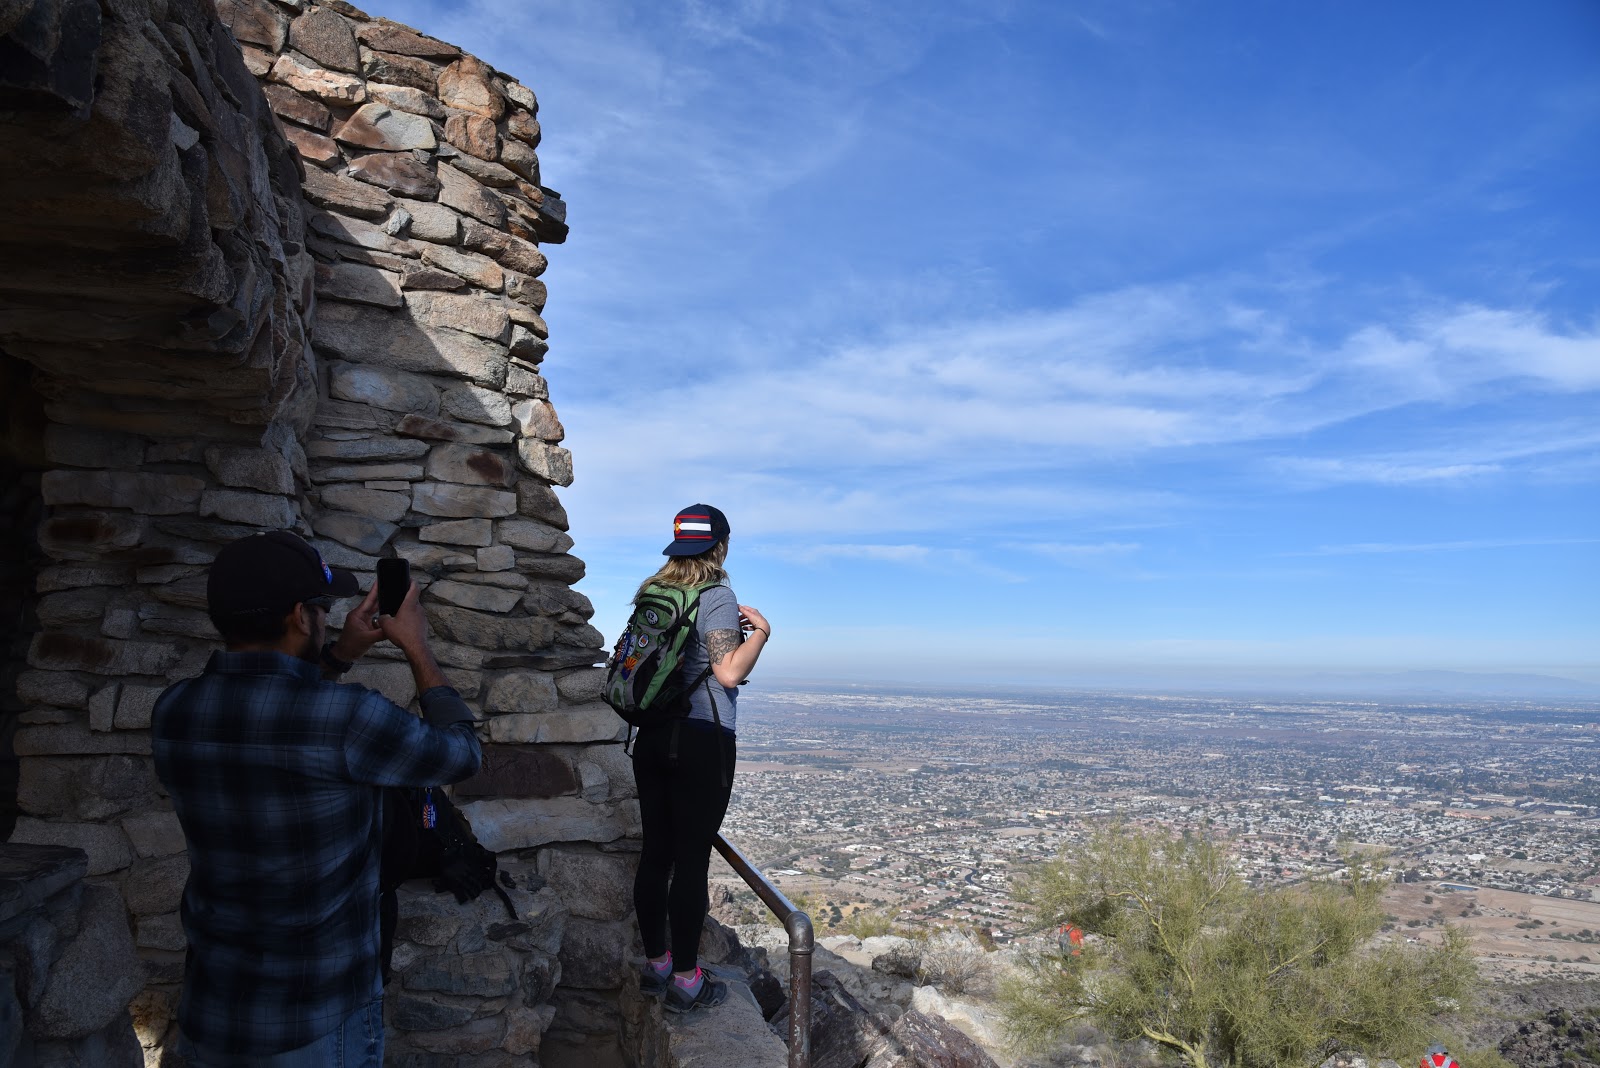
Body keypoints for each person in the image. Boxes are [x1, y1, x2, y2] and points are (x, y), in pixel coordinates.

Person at [151, 530, 482, 1066]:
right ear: (301, 617)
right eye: (323, 609)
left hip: (214, 1007)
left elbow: (274, 709)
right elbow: (461, 754)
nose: (326, 619)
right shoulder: (347, 718)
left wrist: (341, 652)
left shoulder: (175, 711)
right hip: (316, 1017)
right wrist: (416, 645)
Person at [632, 504, 770, 1013]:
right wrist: (760, 633)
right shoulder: (716, 596)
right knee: (691, 861)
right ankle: (688, 981)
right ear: (722, 546)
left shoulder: (653, 593)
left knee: (654, 855)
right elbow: (728, 672)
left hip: (649, 736)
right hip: (701, 741)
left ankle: (657, 965)